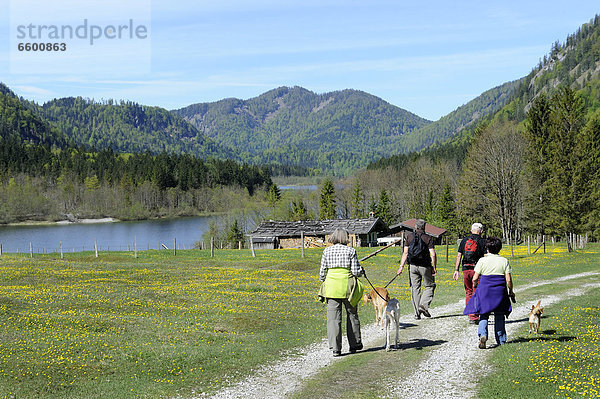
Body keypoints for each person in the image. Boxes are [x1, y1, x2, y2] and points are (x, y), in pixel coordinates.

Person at [318, 228, 365, 357]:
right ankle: (355, 344)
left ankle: (335, 348)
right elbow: (356, 271)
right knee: (352, 315)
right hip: (348, 287)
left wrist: (325, 279)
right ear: (345, 237)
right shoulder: (351, 251)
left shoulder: (326, 251)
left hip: (332, 287)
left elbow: (322, 273)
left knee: (333, 319)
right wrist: (362, 271)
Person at [463, 236, 514, 349]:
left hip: (485, 291)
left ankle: (483, 335)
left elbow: (475, 278)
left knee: (484, 314)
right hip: (499, 292)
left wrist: (475, 286)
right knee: (499, 315)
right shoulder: (504, 261)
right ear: (499, 248)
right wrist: (511, 291)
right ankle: (501, 340)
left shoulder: (482, 260)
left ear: (487, 248)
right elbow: (508, 280)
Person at [396, 219, 437, 320]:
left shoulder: (409, 236)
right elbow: (433, 254)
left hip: (412, 266)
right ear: (424, 227)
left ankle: (416, 314)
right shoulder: (428, 238)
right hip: (425, 266)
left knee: (415, 289)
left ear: (415, 226)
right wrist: (434, 267)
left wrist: (401, 266)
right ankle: (423, 305)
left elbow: (405, 253)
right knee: (430, 286)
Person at [454, 223, 487, 324]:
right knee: (476, 292)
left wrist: (456, 270)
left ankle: (470, 313)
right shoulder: (483, 241)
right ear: (480, 231)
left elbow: (459, 256)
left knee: (468, 292)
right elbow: (486, 256)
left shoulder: (464, 241)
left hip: (465, 269)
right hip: (477, 270)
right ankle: (474, 316)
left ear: (471, 230)